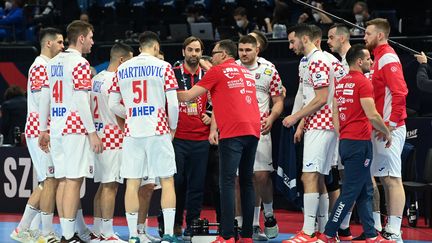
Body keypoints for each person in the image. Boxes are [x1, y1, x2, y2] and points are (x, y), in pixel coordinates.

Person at [177, 39, 261, 243]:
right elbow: (226, 100)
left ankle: (227, 236)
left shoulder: (217, 71)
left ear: (223, 54)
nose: (209, 58)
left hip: (233, 132)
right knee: (247, 182)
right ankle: (247, 236)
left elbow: (188, 96)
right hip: (253, 130)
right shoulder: (245, 73)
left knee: (227, 182)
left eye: (213, 53)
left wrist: (166, 89)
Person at [317, 44, 394, 243]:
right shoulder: (363, 82)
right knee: (351, 191)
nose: (371, 62)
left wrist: (341, 132)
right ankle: (327, 233)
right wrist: (387, 133)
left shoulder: (341, 83)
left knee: (365, 189)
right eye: (368, 59)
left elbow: (334, 112)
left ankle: (370, 234)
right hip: (359, 144)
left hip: (347, 142)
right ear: (359, 61)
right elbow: (373, 114)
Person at [108, 31, 179, 243]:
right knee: (167, 181)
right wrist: (172, 128)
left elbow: (112, 104)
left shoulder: (122, 68)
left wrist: (130, 113)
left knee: (132, 183)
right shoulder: (164, 66)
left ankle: (132, 236)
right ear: (156, 47)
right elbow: (173, 104)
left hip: (133, 131)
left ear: (140, 48)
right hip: (157, 129)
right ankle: (168, 235)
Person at [38, 20, 103, 242]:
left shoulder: (53, 62)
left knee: (63, 181)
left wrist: (43, 128)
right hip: (74, 127)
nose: (93, 42)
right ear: (82, 38)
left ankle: (67, 234)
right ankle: (67, 236)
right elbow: (81, 98)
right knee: (73, 182)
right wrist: (92, 132)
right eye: (91, 37)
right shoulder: (81, 64)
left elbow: (45, 97)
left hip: (56, 126)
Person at [282, 24, 337, 243]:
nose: (290, 46)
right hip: (326, 125)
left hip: (322, 124)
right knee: (320, 176)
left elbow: (321, 98)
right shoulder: (324, 59)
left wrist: (295, 118)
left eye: (292, 41)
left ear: (305, 39)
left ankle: (308, 231)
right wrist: (303, 122)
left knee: (309, 176)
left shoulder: (317, 61)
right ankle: (323, 231)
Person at [11, 27, 64, 243]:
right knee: (49, 180)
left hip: (42, 129)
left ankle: (26, 229)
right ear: (48, 43)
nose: (62, 46)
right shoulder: (41, 66)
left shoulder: (44, 66)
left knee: (47, 181)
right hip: (39, 129)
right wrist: (45, 130)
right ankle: (42, 232)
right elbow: (44, 101)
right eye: (60, 42)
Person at [364, 18, 408, 242]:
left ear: (379, 35)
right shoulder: (378, 58)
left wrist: (390, 124)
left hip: (390, 128)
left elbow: (400, 92)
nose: (364, 37)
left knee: (392, 178)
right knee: (382, 178)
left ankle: (395, 231)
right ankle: (387, 229)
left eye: (368, 33)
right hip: (381, 127)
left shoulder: (388, 56)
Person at [238, 35, 284, 240]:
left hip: (261, 129)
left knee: (261, 176)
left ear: (257, 50)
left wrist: (272, 117)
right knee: (240, 178)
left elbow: (279, 99)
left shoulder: (268, 70)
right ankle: (247, 224)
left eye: (248, 50)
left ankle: (269, 215)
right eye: (241, 50)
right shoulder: (233, 69)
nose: (244, 54)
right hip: (237, 131)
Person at [89, 43, 134, 242]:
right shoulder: (117, 80)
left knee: (102, 185)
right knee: (110, 186)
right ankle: (107, 233)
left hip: (98, 134)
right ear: (122, 60)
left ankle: (98, 228)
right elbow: (118, 110)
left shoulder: (95, 79)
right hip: (113, 135)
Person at [309, 24, 348, 237]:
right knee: (330, 175)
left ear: (342, 38)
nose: (328, 41)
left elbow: (340, 98)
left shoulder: (349, 61)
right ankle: (332, 228)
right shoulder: (333, 61)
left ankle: (341, 227)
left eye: (332, 37)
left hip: (345, 128)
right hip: (335, 126)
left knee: (349, 180)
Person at [171, 36, 210, 239]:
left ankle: (192, 224)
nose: (194, 54)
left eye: (197, 50)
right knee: (175, 183)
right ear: (183, 51)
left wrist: (211, 114)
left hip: (201, 139)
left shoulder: (208, 74)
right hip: (177, 138)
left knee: (196, 185)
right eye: (190, 50)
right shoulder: (173, 73)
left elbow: (219, 96)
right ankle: (173, 223)